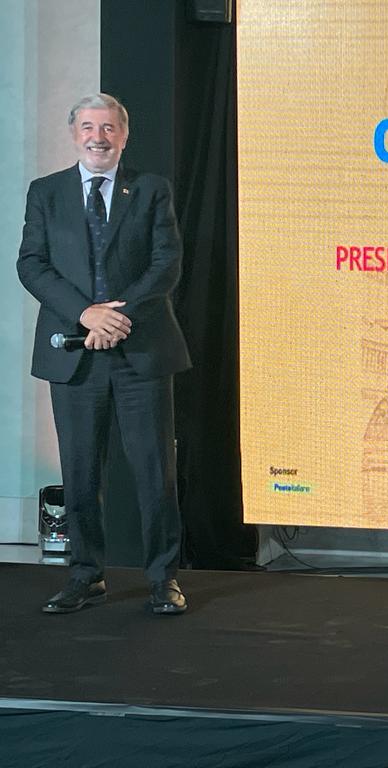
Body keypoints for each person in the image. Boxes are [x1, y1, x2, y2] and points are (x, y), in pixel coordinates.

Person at [18, 93, 192, 615]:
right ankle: (85, 575)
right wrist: (85, 315)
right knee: (80, 472)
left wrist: (117, 318)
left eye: (109, 127)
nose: (99, 137)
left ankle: (163, 578)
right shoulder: (46, 192)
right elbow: (32, 264)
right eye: (89, 127)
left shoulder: (153, 189)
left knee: (154, 471)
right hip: (74, 354)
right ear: (74, 134)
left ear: (124, 135)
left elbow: (166, 264)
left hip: (141, 351)